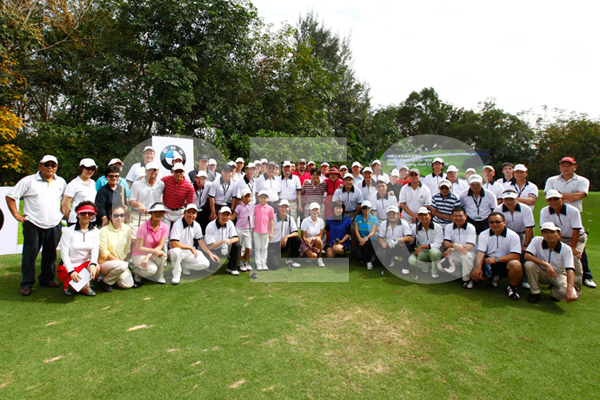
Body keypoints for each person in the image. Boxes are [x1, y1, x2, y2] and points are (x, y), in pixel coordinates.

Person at [544, 156, 595, 288]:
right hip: (556, 216)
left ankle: (586, 277)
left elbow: (579, 196)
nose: (566, 168)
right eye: (563, 165)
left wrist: (559, 195)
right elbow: (548, 196)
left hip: (573, 216)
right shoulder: (552, 180)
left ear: (574, 167)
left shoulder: (582, 180)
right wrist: (569, 196)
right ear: (560, 167)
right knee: (559, 252)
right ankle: (558, 279)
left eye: (569, 166)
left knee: (576, 253)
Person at [539, 189, 586, 292]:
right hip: (557, 237)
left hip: (576, 237)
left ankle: (575, 288)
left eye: (556, 199)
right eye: (550, 199)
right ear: (547, 201)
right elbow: (545, 229)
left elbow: (576, 230)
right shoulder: (544, 211)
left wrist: (572, 248)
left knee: (574, 258)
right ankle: (555, 281)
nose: (553, 201)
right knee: (554, 255)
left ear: (562, 199)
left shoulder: (573, 211)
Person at [471, 212, 523, 300]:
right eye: (491, 222)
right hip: (489, 262)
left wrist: (496, 259)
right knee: (476, 277)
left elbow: (515, 255)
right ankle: (493, 277)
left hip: (505, 263)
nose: (495, 224)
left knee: (516, 265)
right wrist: (478, 268)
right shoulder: (484, 234)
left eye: (498, 222)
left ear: (504, 223)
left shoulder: (513, 236)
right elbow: (481, 252)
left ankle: (512, 287)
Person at [524, 222, 579, 303]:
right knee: (529, 264)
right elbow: (527, 255)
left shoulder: (566, 249)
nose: (549, 235)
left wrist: (570, 290)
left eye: (552, 232)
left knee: (573, 294)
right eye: (546, 232)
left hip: (557, 275)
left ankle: (554, 293)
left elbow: (570, 270)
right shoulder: (536, 240)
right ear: (542, 234)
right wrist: (546, 264)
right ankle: (535, 292)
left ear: (559, 235)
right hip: (540, 272)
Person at [56, 201, 100, 296]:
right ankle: (72, 286)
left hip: (84, 264)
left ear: (93, 216)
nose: (86, 215)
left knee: (96, 266)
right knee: (83, 285)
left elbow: (95, 250)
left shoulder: (96, 231)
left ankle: (82, 285)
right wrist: (71, 271)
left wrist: (93, 263)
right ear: (78, 215)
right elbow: (64, 254)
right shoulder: (68, 232)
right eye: (83, 213)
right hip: (68, 267)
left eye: (90, 213)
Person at [168, 204, 220, 284]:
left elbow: (201, 241)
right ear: (184, 213)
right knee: (176, 252)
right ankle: (176, 275)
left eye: (193, 213)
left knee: (205, 264)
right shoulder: (177, 224)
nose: (191, 215)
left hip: (189, 252)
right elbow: (174, 244)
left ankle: (184, 266)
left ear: (196, 215)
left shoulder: (196, 225)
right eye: (189, 212)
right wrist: (190, 247)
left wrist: (210, 254)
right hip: (176, 251)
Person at [494, 190, 535, 289]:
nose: (509, 202)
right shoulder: (498, 209)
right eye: (506, 199)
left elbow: (529, 229)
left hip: (522, 233)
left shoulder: (526, 209)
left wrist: (525, 245)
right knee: (499, 250)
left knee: (525, 254)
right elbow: (497, 226)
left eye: (511, 199)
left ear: (516, 199)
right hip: (505, 233)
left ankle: (524, 279)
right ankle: (497, 274)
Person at [98, 205, 135, 291]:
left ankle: (113, 278)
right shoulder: (103, 230)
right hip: (105, 263)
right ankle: (106, 282)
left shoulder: (128, 229)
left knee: (128, 285)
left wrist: (123, 262)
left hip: (121, 264)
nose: (119, 218)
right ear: (110, 217)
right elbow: (104, 253)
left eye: (122, 215)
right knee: (122, 266)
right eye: (116, 215)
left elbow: (127, 249)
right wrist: (120, 262)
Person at [132, 202, 169, 284]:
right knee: (151, 270)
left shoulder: (165, 227)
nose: (158, 214)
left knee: (162, 256)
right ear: (151, 213)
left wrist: (148, 256)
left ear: (163, 213)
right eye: (155, 212)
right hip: (139, 254)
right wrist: (152, 252)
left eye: (160, 212)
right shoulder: (142, 227)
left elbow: (160, 245)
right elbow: (139, 248)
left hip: (152, 253)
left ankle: (159, 276)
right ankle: (138, 273)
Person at [129, 162, 165, 241]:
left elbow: (159, 198)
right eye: (150, 170)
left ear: (158, 171)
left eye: (155, 170)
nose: (153, 171)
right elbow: (131, 201)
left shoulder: (161, 184)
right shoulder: (137, 184)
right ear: (145, 171)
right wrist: (139, 205)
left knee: (150, 241)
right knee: (134, 240)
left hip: (153, 216)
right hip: (138, 216)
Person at [443, 207, 477, 288]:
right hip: (455, 253)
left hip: (469, 254)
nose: (458, 218)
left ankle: (467, 280)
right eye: (456, 216)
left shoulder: (470, 227)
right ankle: (460, 274)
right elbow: (446, 244)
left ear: (465, 216)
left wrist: (452, 248)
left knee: (465, 255)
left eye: (460, 216)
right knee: (440, 266)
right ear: (452, 217)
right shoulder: (448, 227)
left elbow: (469, 248)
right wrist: (454, 245)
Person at [408, 208, 444, 279]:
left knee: (434, 252)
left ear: (430, 216)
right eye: (421, 215)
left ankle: (434, 271)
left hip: (436, 251)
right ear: (418, 217)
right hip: (423, 252)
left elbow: (438, 244)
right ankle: (428, 266)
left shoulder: (437, 227)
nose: (423, 217)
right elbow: (411, 240)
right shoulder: (415, 227)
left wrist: (421, 247)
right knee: (411, 260)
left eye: (425, 215)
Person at [204, 206, 240, 274]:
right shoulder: (210, 226)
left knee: (236, 245)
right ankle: (210, 267)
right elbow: (211, 246)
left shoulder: (230, 223)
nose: (225, 217)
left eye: (227, 215)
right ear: (219, 214)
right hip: (211, 250)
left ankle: (231, 268)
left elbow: (236, 238)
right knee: (214, 264)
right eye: (223, 214)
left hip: (224, 247)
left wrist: (228, 242)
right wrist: (223, 241)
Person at [377, 206, 413, 274]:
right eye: (389, 214)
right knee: (380, 254)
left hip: (400, 246)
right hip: (389, 246)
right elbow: (380, 237)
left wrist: (398, 239)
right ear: (387, 215)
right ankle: (390, 259)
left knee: (407, 245)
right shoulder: (383, 224)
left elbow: (410, 238)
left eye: (393, 214)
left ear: (398, 214)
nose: (391, 216)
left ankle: (405, 266)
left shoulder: (403, 223)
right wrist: (382, 243)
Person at [62, 158, 98, 226]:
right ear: (81, 168)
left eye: (93, 169)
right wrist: (69, 219)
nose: (90, 171)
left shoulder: (93, 183)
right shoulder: (73, 184)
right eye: (87, 168)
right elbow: (65, 204)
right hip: (76, 219)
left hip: (91, 219)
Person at [266, 200, 301, 270]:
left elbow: (296, 232)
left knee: (297, 239)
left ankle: (291, 259)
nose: (284, 209)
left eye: (286, 207)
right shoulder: (272, 218)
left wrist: (286, 236)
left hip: (284, 244)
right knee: (274, 266)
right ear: (278, 208)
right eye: (282, 207)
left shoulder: (290, 218)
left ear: (289, 208)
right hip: (273, 244)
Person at [230, 188, 254, 272]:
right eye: (246, 197)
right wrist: (226, 218)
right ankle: (240, 262)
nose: (247, 198)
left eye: (249, 196)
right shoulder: (239, 207)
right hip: (239, 228)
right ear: (242, 198)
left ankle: (246, 262)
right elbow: (233, 217)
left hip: (248, 230)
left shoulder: (253, 206)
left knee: (249, 248)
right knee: (239, 247)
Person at [354, 200, 379, 270]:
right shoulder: (357, 218)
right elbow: (356, 230)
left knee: (366, 245)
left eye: (367, 208)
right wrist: (360, 239)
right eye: (363, 208)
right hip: (361, 239)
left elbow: (373, 232)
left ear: (370, 208)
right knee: (359, 256)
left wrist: (365, 239)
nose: (365, 210)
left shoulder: (374, 219)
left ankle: (369, 262)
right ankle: (368, 258)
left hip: (371, 240)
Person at [253, 190, 275, 271]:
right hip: (256, 231)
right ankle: (258, 263)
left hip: (266, 231)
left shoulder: (270, 208)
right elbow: (252, 219)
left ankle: (263, 262)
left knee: (264, 248)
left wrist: (271, 232)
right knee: (257, 247)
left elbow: (271, 221)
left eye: (265, 198)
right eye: (261, 197)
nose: (263, 199)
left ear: (268, 198)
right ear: (258, 198)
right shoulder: (255, 207)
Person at [300, 202, 326, 267]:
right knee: (313, 257)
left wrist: (312, 238)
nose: (315, 211)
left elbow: (320, 236)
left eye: (317, 209)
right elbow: (303, 237)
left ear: (319, 210)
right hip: (306, 242)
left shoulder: (321, 221)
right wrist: (311, 247)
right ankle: (309, 254)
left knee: (318, 240)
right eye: (313, 210)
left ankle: (320, 258)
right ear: (310, 211)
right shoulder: (305, 221)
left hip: (316, 241)